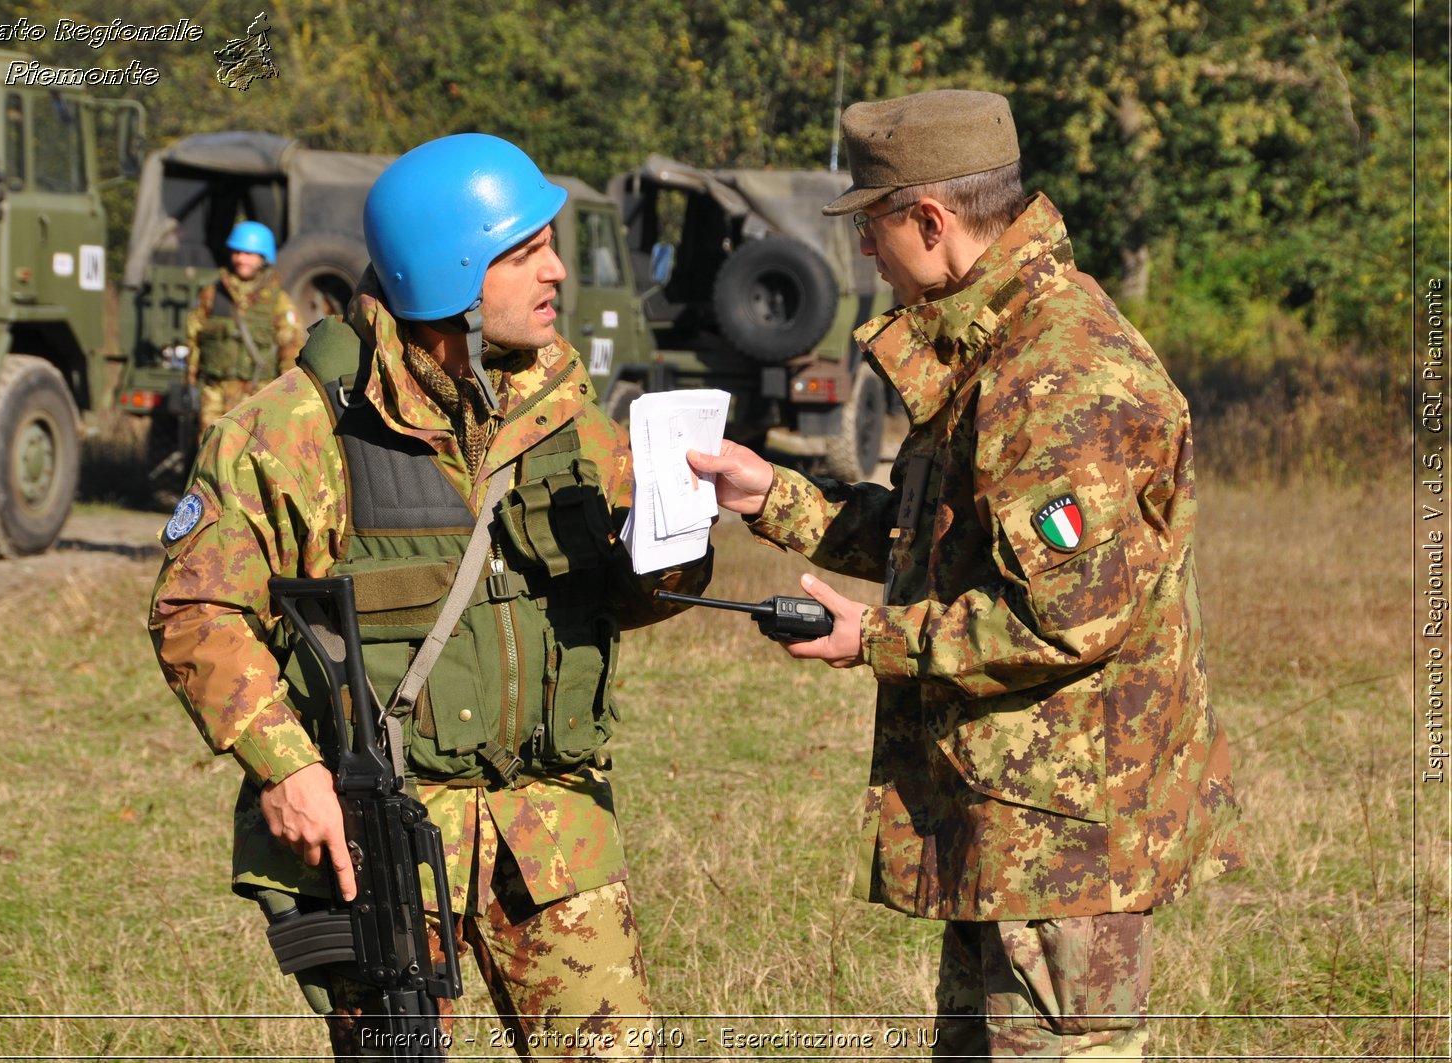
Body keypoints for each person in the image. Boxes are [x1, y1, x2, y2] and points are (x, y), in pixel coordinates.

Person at [688, 90, 1245, 1058]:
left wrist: (874, 638)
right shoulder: (999, 343)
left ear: (929, 221)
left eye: (872, 228)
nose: (865, 255)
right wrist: (770, 495)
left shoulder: (1057, 374)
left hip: (1063, 840)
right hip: (1014, 817)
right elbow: (940, 539)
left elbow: (1067, 619)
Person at [150, 133, 711, 1058]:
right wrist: (287, 767)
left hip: (554, 827)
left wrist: (677, 552)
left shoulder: (565, 411)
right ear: (449, 272)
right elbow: (198, 609)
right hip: (386, 844)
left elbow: (621, 595)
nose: (557, 271)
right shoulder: (294, 430)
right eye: (523, 252)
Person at [182, 219, 303, 440]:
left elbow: (291, 348)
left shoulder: (277, 300)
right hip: (215, 391)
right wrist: (189, 383)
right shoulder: (212, 294)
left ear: (263, 257)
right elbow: (193, 338)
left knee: (251, 453)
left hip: (259, 393)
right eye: (237, 252)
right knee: (210, 452)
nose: (240, 259)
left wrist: (287, 397)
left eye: (249, 254)